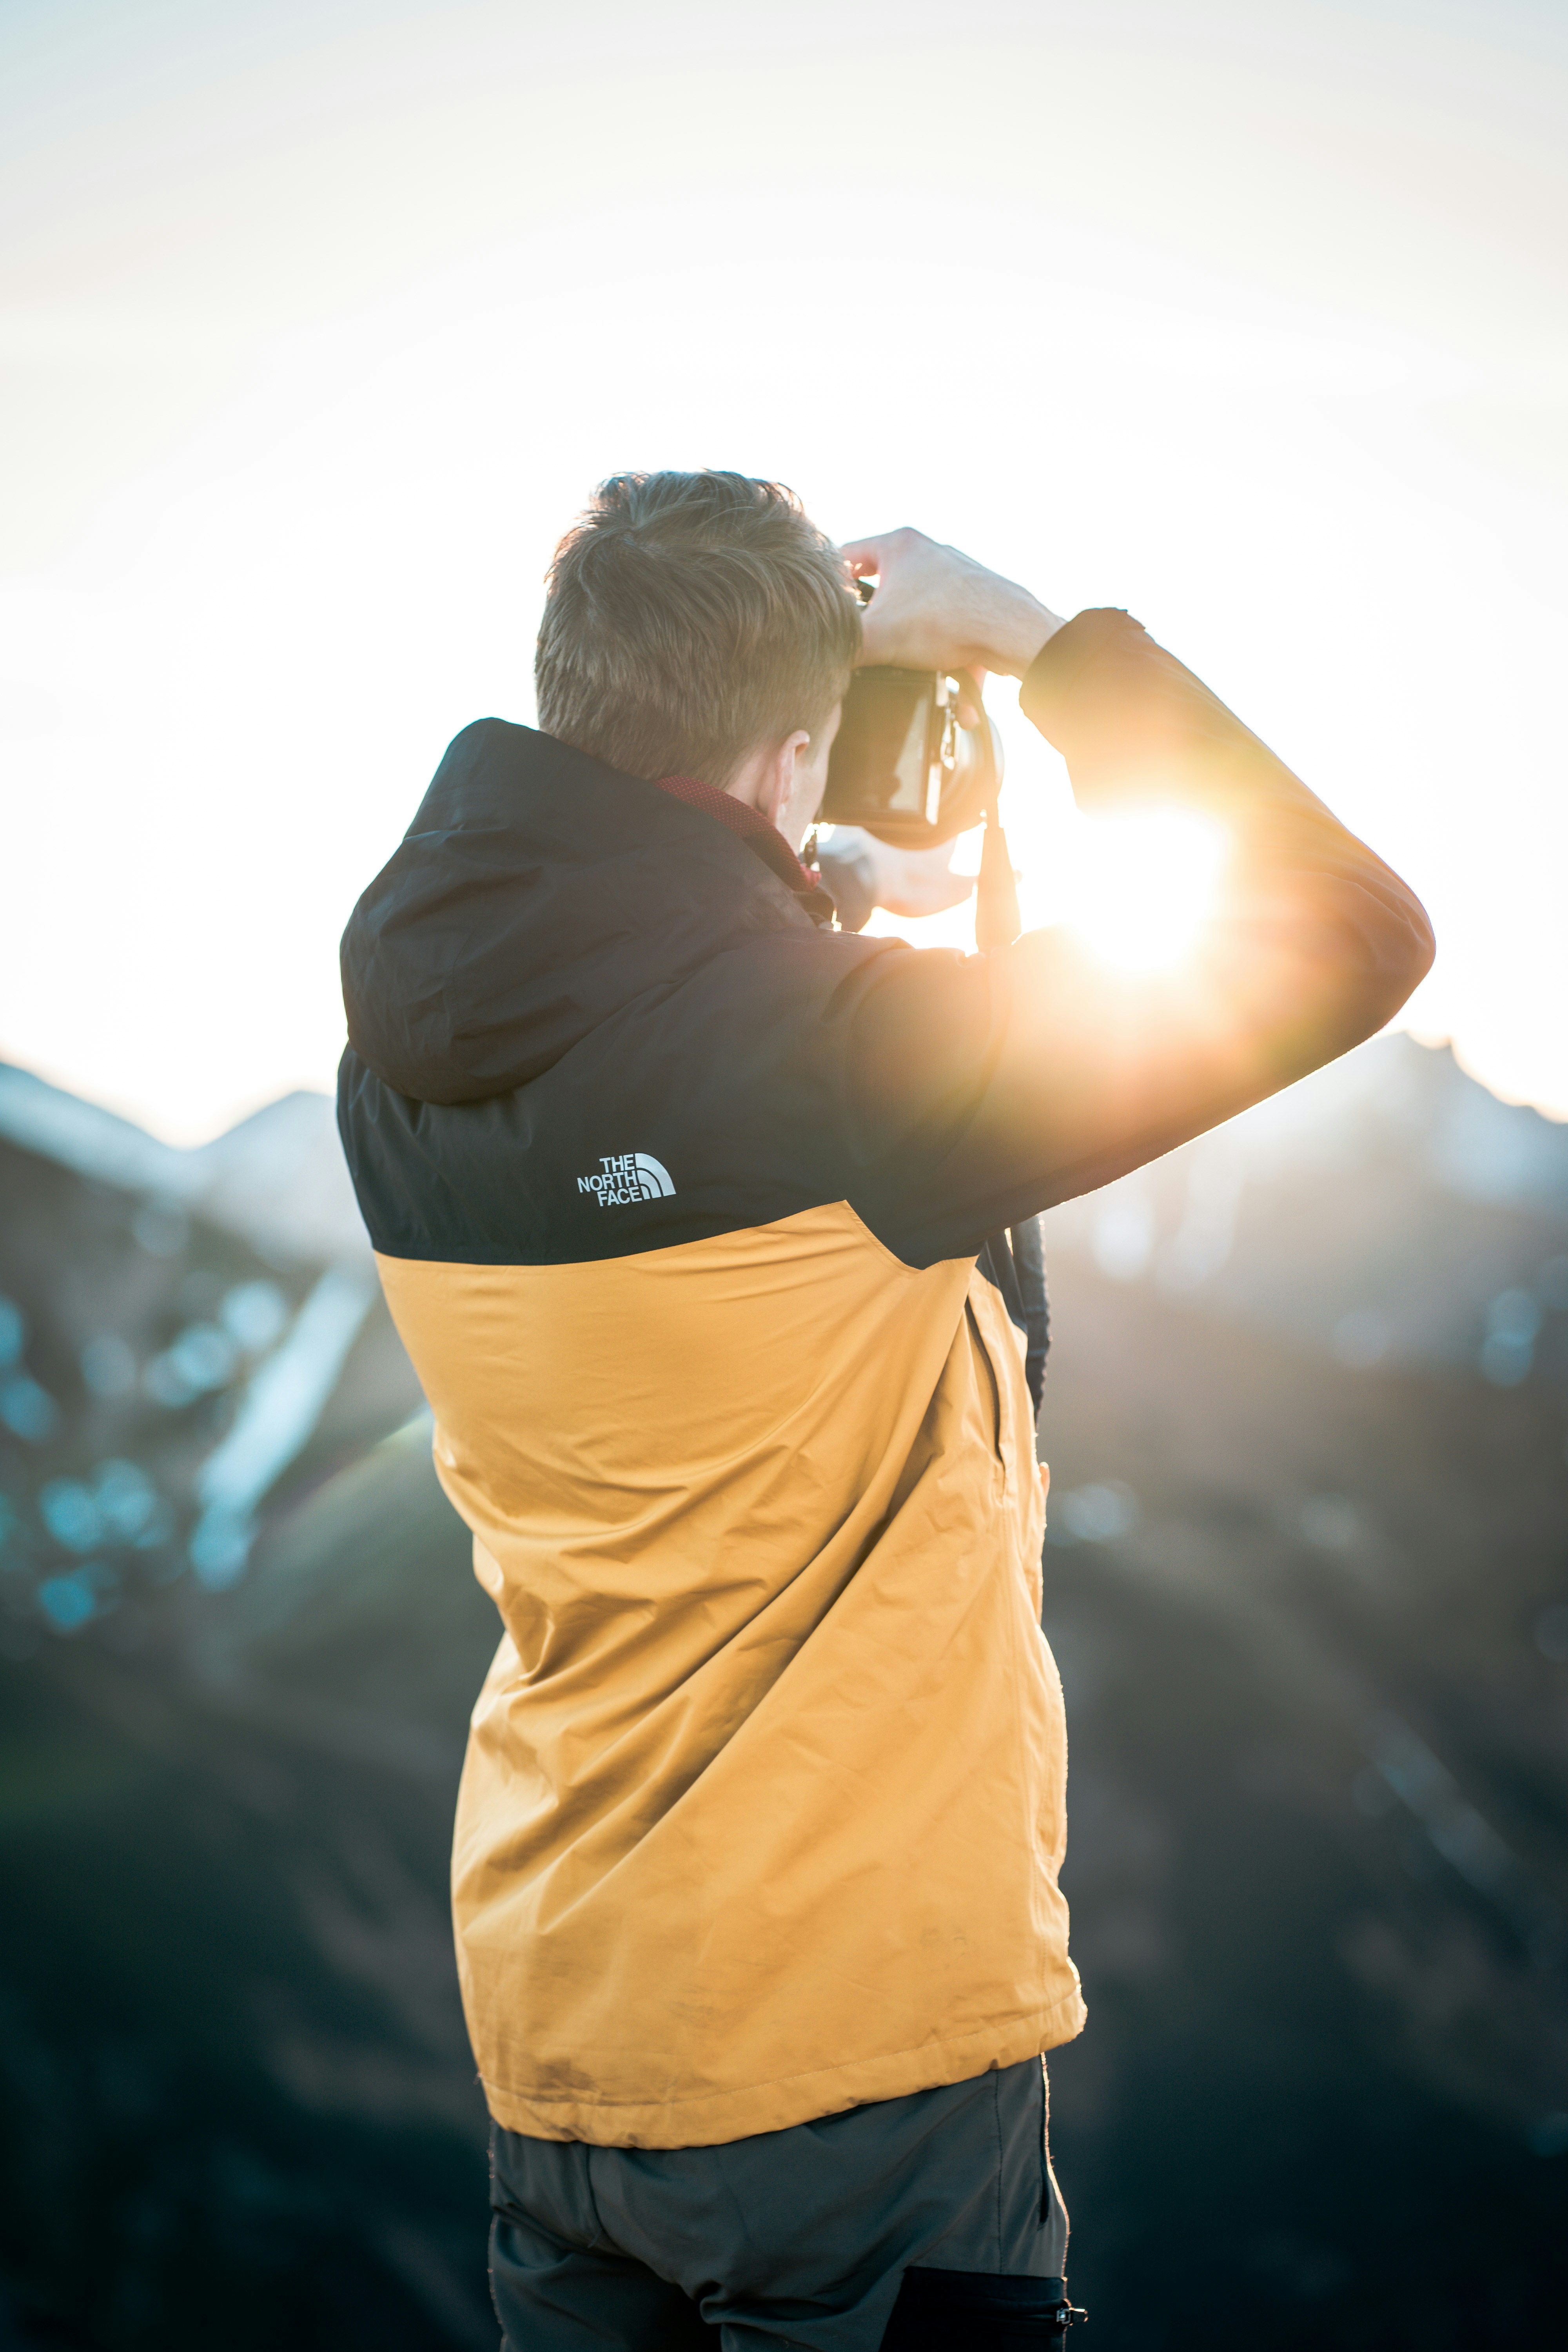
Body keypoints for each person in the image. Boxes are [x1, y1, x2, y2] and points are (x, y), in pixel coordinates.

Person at [336, 472, 1434, 2349]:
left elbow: (651, 1094)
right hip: (850, 2069)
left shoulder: (398, 1060)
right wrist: (1036, 641)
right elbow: (1348, 930)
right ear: (789, 756)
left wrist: (791, 906)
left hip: (562, 2045)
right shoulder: (831, 1061)